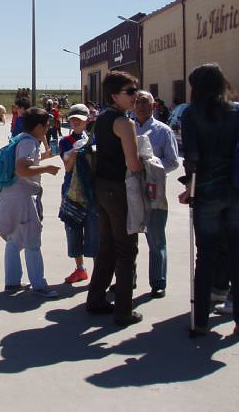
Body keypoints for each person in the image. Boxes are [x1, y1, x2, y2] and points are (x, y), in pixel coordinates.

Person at [179, 63, 239, 336]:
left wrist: (190, 186)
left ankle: (200, 320)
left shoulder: (191, 114)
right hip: (236, 190)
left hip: (208, 191)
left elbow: (192, 158)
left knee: (206, 255)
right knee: (238, 252)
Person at [86, 71, 143, 326]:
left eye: (136, 91)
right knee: (126, 248)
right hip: (119, 189)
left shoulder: (102, 118)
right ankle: (123, 310)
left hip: (101, 186)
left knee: (108, 245)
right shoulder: (124, 123)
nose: (135, 97)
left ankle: (96, 298)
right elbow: (133, 163)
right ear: (114, 95)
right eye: (130, 92)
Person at [0, 107, 61, 296]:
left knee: (14, 240)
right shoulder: (29, 142)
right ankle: (39, 284)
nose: (47, 129)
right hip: (24, 197)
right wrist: (46, 168)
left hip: (11, 194)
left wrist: (44, 157)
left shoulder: (21, 138)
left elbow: (23, 163)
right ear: (37, 126)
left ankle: (12, 282)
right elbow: (22, 169)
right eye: (45, 126)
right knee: (32, 242)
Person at [133, 90, 179, 298]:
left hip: (154, 192)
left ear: (153, 106)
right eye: (137, 102)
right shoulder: (127, 129)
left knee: (156, 239)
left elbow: (173, 161)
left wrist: (152, 165)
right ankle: (128, 279)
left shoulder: (163, 131)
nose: (140, 105)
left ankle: (158, 282)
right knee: (128, 239)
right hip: (130, 191)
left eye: (145, 102)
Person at [58, 104, 99, 284]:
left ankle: (99, 271)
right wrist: (76, 152)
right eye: (73, 119)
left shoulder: (97, 139)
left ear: (87, 120)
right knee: (73, 228)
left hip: (92, 190)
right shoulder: (65, 141)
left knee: (95, 230)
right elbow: (67, 167)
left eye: (79, 119)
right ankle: (80, 268)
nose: (75, 122)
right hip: (71, 190)